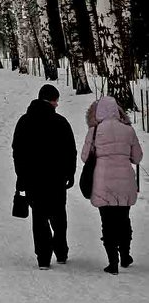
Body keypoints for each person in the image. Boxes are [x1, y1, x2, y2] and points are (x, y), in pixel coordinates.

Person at [12, 84, 77, 270]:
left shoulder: (24, 122)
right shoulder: (61, 122)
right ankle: (61, 252)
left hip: (33, 178)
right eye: (57, 101)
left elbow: (18, 151)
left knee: (39, 217)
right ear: (53, 100)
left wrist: (21, 175)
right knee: (58, 215)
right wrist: (70, 173)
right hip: (56, 178)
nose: (57, 105)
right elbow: (69, 151)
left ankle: (43, 258)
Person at [81, 95, 143, 275]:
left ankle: (112, 263)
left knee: (107, 223)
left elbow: (85, 157)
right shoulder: (128, 130)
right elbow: (137, 157)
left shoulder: (95, 130)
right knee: (124, 219)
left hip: (103, 181)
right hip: (125, 181)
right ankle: (125, 255)